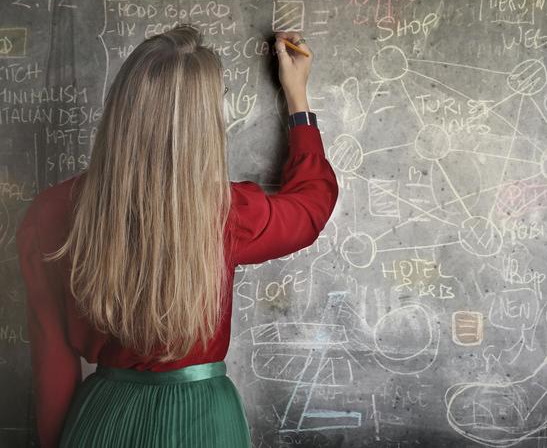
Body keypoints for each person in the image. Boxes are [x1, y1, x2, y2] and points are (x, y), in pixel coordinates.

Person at [15, 25, 339, 447]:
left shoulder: (51, 213)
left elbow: (53, 365)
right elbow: (312, 206)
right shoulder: (229, 213)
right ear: (204, 122)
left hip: (102, 420)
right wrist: (298, 101)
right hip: (203, 419)